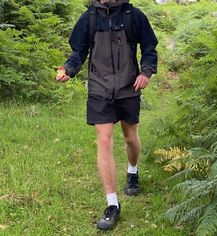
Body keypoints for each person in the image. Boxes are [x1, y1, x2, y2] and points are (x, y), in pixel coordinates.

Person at [56, 0, 158, 230]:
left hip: (128, 86)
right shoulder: (89, 18)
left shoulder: (134, 15)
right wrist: (69, 70)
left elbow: (150, 47)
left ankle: (132, 171)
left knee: (130, 137)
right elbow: (78, 52)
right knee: (104, 140)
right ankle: (112, 204)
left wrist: (146, 72)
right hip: (99, 88)